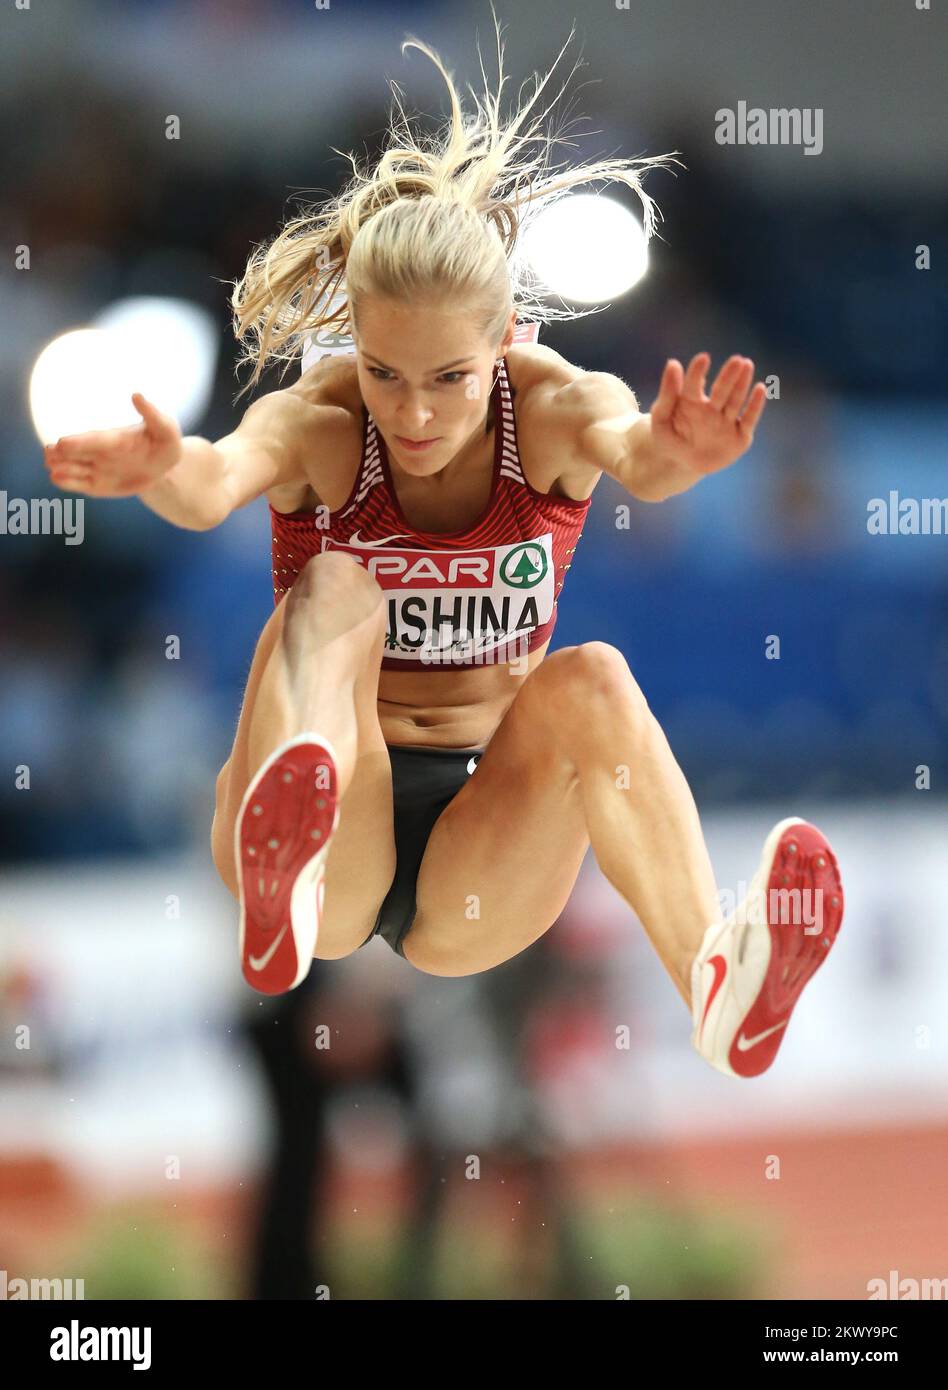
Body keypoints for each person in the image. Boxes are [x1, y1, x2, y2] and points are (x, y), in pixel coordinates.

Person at [43, 17, 843, 1079]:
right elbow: (214, 484)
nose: (412, 415)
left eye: (449, 379)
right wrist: (161, 465)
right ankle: (291, 857)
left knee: (595, 677)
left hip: (479, 853)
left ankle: (717, 976)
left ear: (506, 334)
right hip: (341, 825)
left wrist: (682, 452)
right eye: (385, 373)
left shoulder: (553, 408)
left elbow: (639, 457)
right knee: (332, 586)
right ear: (354, 349)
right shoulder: (325, 421)